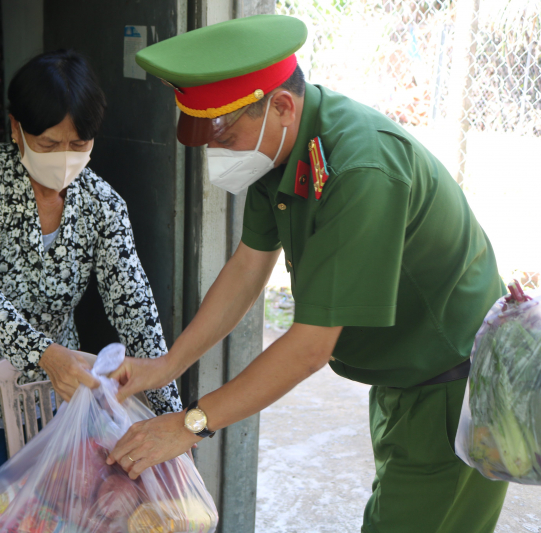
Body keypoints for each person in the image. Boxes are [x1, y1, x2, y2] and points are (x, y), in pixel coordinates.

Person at [106, 14, 508, 533]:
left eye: (224, 138)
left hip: (453, 389)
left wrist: (190, 424)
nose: (216, 155)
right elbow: (248, 268)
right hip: (403, 379)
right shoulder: (277, 151)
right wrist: (166, 365)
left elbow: (310, 346)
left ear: (282, 106)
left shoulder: (358, 170)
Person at [0, 49, 182, 533]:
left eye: (78, 143)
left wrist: (173, 417)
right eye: (48, 142)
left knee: (50, 515)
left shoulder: (103, 206)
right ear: (17, 129)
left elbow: (136, 310)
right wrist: (44, 353)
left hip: (47, 393)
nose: (64, 158)